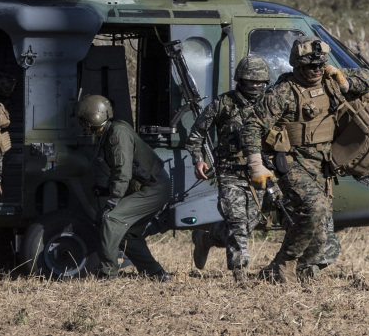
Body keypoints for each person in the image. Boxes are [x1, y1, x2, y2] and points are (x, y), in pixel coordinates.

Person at [242, 36, 369, 283]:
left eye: (319, 65)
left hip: (322, 164)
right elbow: (252, 125)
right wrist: (255, 164)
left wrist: (344, 81)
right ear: (297, 65)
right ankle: (285, 265)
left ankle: (301, 270)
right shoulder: (283, 92)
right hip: (291, 162)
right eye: (310, 66)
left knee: (321, 228)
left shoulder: (330, 80)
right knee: (316, 209)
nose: (316, 70)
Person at [187, 56, 271, 282]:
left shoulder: (270, 104)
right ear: (240, 80)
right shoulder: (223, 104)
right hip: (229, 172)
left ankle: (205, 239)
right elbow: (196, 134)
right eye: (250, 81)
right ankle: (239, 271)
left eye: (259, 82)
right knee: (236, 221)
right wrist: (198, 159)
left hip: (258, 173)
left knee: (250, 222)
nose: (255, 86)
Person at [74, 94, 171, 282]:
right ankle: (157, 274)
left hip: (153, 188)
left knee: (111, 219)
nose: (83, 125)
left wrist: (113, 200)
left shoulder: (117, 134)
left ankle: (107, 273)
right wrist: (106, 191)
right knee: (128, 236)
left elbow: (123, 171)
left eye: (83, 121)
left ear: (92, 119)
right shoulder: (111, 132)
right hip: (151, 187)